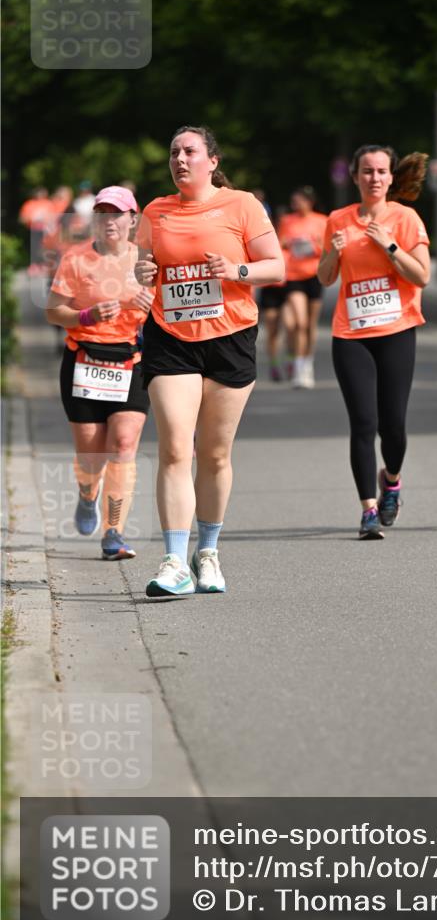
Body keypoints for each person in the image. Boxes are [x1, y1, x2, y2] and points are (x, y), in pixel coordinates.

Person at [135, 125, 284, 597]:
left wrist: (237, 270)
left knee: (215, 454)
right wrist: (141, 271)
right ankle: (174, 561)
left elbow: (276, 266)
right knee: (176, 448)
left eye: (190, 152)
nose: (180, 159)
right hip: (171, 338)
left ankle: (208, 552)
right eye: (174, 151)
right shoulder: (155, 211)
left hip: (230, 337)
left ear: (212, 161)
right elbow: (143, 267)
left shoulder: (241, 205)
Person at [317, 144, 430, 539]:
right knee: (363, 423)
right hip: (351, 334)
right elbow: (325, 277)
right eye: (367, 171)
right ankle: (367, 510)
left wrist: (390, 244)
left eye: (382, 171)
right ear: (355, 176)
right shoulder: (338, 219)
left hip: (397, 331)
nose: (375, 178)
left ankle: (392, 481)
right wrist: (331, 254)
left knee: (393, 425)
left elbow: (422, 276)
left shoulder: (406, 218)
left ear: (391, 177)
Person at [45, 186, 152, 559]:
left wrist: (151, 305)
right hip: (84, 360)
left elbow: (170, 314)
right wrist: (86, 315)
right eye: (102, 213)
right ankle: (87, 494)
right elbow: (53, 311)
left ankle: (114, 533)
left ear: (132, 220)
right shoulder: (75, 259)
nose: (110, 220)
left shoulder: (147, 263)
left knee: (123, 444)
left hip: (132, 362)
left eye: (117, 213)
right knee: (91, 453)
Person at [279, 187, 328, 388]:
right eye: (294, 201)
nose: (296, 205)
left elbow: (329, 248)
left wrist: (316, 244)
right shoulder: (287, 221)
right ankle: (298, 368)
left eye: (299, 201)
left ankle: (308, 363)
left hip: (314, 275)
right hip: (293, 275)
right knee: (299, 322)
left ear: (310, 202)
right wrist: (288, 242)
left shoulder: (322, 221)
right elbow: (279, 243)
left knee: (310, 324)